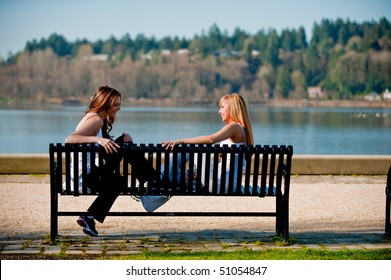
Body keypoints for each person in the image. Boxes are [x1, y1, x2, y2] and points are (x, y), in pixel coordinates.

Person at [65, 85, 158, 237]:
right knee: (119, 179)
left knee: (121, 169)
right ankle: (154, 181)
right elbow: (70, 139)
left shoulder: (97, 118)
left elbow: (106, 148)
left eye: (119, 105)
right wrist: (98, 140)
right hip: (87, 176)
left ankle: (89, 217)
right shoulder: (95, 119)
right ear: (104, 103)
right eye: (116, 105)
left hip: (93, 172)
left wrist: (120, 140)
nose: (118, 109)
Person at [161, 93, 254, 194]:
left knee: (193, 147)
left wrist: (180, 141)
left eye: (222, 107)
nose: (219, 112)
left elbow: (211, 139)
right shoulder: (243, 130)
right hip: (230, 185)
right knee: (184, 173)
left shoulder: (234, 127)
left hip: (219, 183)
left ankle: (159, 177)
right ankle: (163, 179)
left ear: (232, 108)